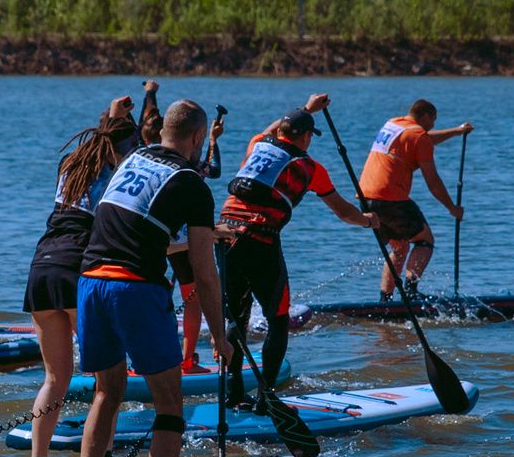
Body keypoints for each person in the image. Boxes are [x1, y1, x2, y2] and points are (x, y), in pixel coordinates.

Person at [69, 100, 229, 457]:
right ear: (199, 138)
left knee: (108, 391)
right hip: (133, 289)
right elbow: (204, 272)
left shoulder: (133, 157)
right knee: (169, 403)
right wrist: (221, 336)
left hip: (88, 283)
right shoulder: (192, 184)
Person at [20, 96, 148, 457]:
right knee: (108, 379)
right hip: (76, 269)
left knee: (54, 380)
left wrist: (115, 113)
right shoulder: (116, 174)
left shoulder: (72, 163)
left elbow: (106, 135)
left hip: (41, 266)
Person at [215, 95, 375, 398]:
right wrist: (369, 221)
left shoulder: (255, 145)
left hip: (224, 236)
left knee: (237, 318)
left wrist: (306, 108)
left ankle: (233, 395)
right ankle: (266, 396)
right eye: (308, 137)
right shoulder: (311, 168)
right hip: (260, 240)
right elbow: (344, 212)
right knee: (278, 320)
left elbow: (270, 129)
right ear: (304, 137)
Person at [355, 98, 472, 298]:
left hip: (366, 198)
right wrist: (452, 208)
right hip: (389, 198)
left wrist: (457, 131)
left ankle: (386, 301)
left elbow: (424, 139)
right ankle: (411, 293)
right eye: (433, 120)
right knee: (424, 240)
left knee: (400, 247)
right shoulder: (418, 136)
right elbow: (432, 181)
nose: (433, 125)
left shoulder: (394, 124)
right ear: (426, 116)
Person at [166, 102, 227, 370]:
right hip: (182, 237)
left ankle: (145, 359)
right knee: (192, 296)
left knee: (159, 294)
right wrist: (213, 141)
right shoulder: (187, 160)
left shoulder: (144, 153)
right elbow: (213, 169)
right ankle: (187, 360)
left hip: (155, 236)